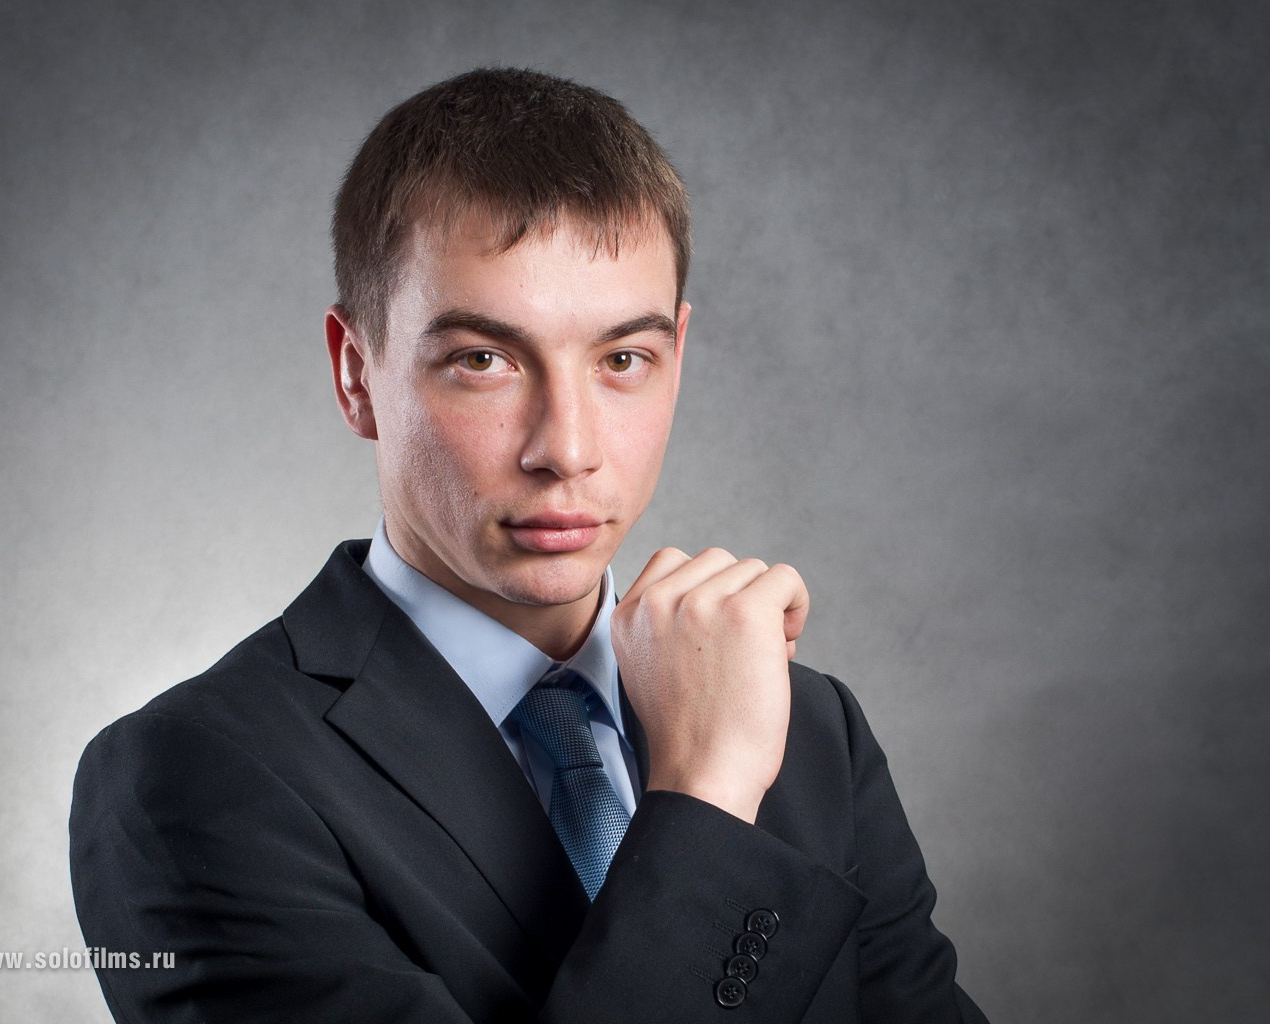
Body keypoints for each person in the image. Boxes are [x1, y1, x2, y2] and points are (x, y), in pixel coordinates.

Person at [70, 67, 988, 1023]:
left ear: (677, 357)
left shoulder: (811, 727)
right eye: (483, 360)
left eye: (622, 359)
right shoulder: (191, 774)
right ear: (355, 374)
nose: (567, 450)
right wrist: (708, 797)